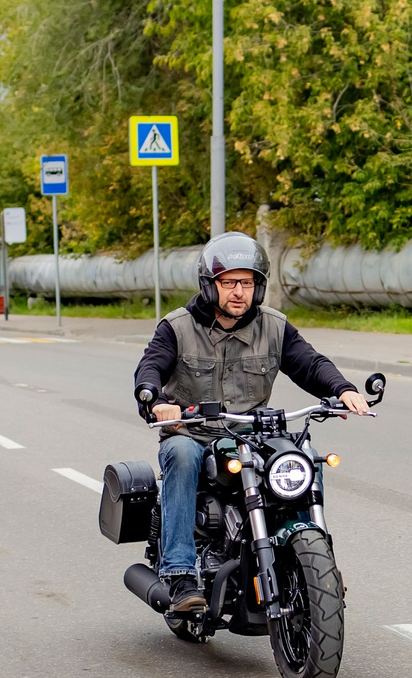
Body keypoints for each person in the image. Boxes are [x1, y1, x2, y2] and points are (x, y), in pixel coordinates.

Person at [133, 232, 369, 616]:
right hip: (194, 432)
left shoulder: (274, 326)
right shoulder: (177, 327)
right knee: (178, 452)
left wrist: (341, 389)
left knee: (302, 456)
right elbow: (151, 367)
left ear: (258, 286)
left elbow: (308, 362)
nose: (239, 292)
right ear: (210, 285)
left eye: (247, 282)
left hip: (249, 432)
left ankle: (317, 559)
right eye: (229, 282)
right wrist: (155, 399)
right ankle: (180, 574)